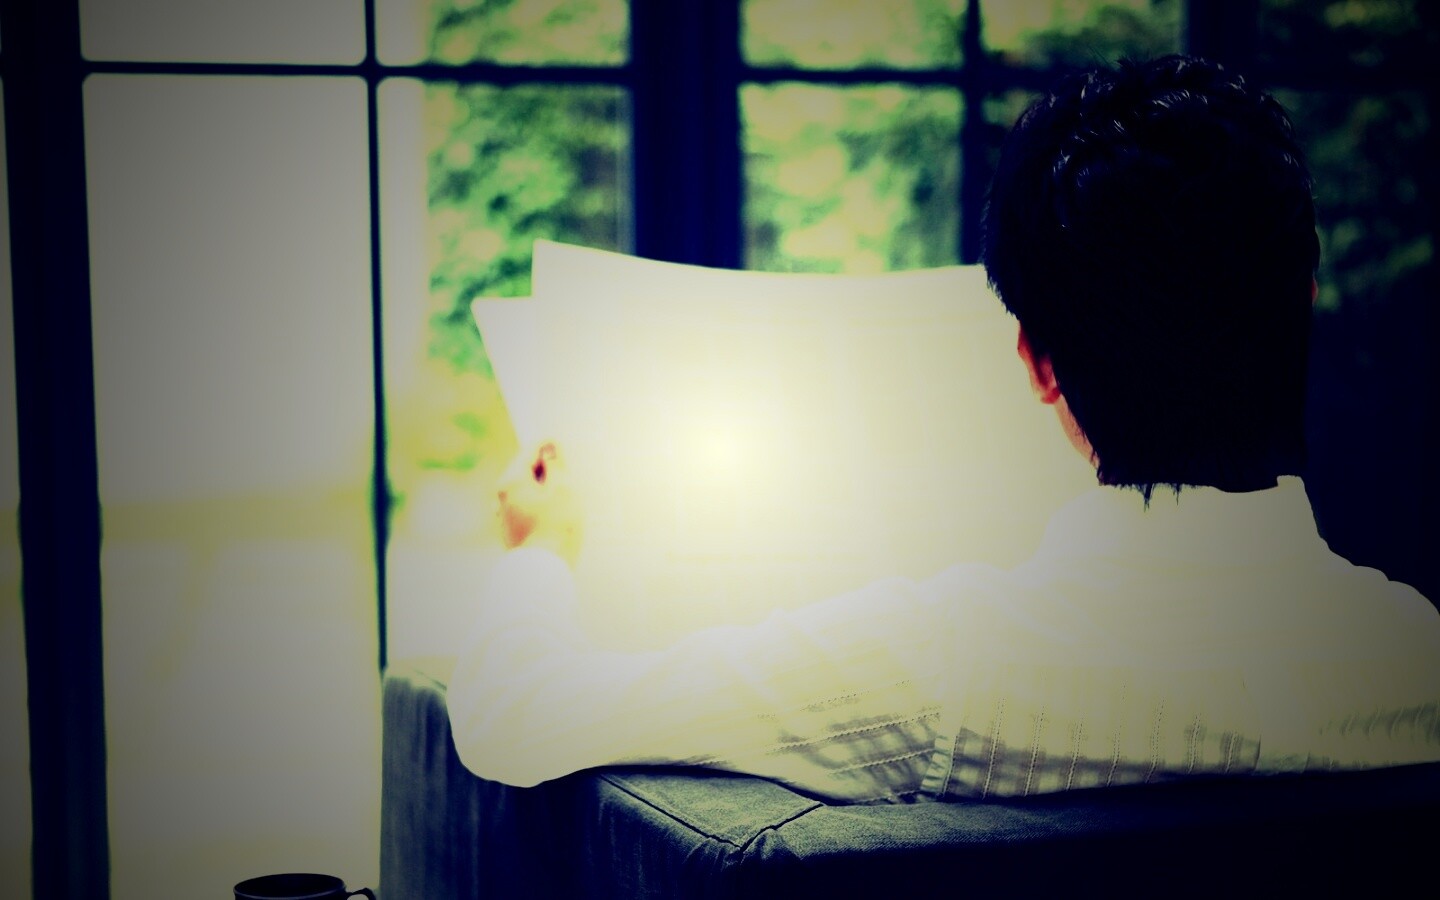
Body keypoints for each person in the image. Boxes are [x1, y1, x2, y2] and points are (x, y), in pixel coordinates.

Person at [447, 55, 1440, 803]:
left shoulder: (938, 667)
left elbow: (518, 715)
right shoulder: (1414, 658)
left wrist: (542, 549)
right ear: (1307, 302)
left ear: (1038, 364)